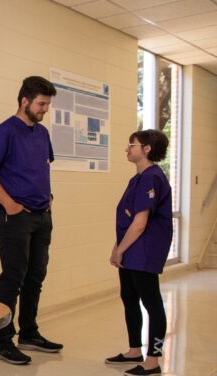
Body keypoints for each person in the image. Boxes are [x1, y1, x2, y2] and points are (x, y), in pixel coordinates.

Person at [0, 76, 62, 365]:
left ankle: (29, 332)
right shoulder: (5, 132)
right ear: (24, 100)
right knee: (13, 277)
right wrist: (9, 203)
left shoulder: (42, 133)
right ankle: (2, 341)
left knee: (35, 276)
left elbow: (41, 167)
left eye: (47, 104)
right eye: (41, 104)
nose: (44, 109)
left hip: (41, 215)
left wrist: (48, 197)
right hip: (15, 217)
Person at [105, 130, 172, 376]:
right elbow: (129, 219)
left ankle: (153, 360)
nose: (127, 149)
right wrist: (118, 247)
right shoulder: (138, 178)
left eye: (131, 145)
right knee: (129, 297)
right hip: (131, 248)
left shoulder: (151, 177)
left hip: (144, 250)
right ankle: (135, 350)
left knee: (151, 302)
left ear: (146, 149)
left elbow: (141, 222)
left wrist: (120, 249)